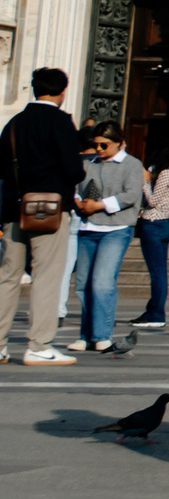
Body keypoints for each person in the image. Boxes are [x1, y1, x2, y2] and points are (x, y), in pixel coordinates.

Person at [0, 67, 85, 366]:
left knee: (8, 276)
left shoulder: (14, 123)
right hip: (49, 209)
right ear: (63, 91)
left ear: (35, 89)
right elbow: (74, 169)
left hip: (14, 208)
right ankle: (39, 345)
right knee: (46, 276)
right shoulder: (60, 122)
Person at [67, 124, 145, 350]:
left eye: (104, 145)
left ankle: (102, 334)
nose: (99, 149)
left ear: (120, 142)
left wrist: (100, 205)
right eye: (96, 145)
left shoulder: (131, 164)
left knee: (102, 282)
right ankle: (86, 335)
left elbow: (131, 195)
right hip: (88, 227)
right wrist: (78, 202)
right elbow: (75, 188)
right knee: (83, 283)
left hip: (116, 228)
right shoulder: (88, 163)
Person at [134, 138, 169, 330]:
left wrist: (145, 182)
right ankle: (153, 310)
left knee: (157, 272)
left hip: (154, 222)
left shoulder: (165, 174)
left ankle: (156, 313)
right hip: (164, 222)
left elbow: (153, 200)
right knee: (159, 271)